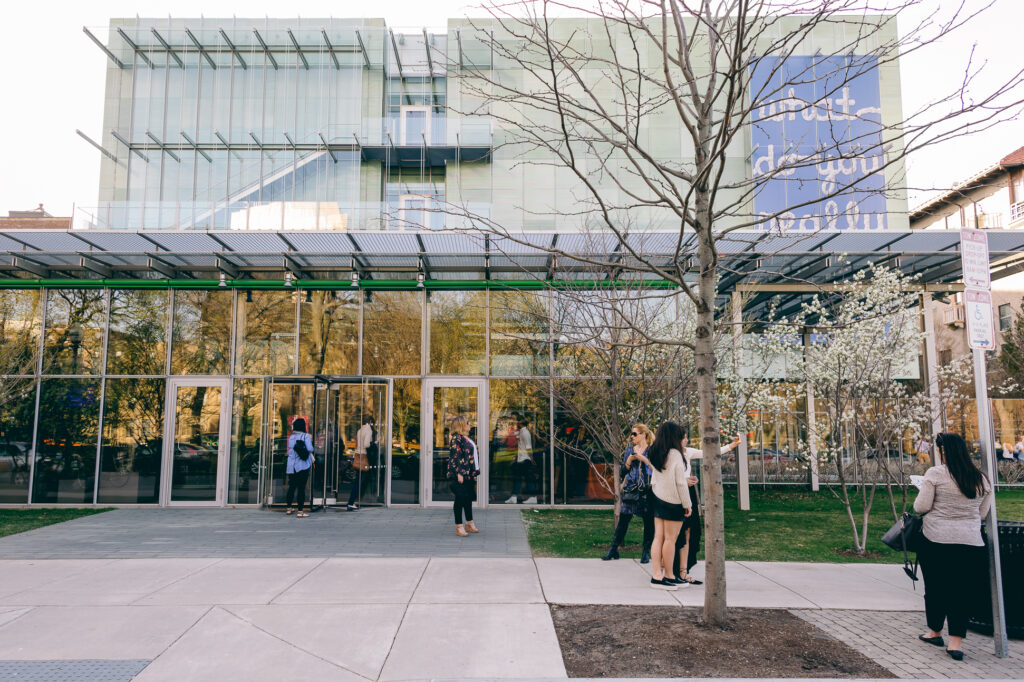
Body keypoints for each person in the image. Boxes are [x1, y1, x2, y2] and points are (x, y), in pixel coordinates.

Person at [913, 432, 992, 662]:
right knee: (962, 592)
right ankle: (955, 643)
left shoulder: (936, 474)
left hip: (936, 540)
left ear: (943, 452)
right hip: (970, 541)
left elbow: (921, 506)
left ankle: (935, 631)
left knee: (936, 588)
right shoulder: (981, 479)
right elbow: (981, 513)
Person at [671, 432, 741, 585]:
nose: (687, 439)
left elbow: (709, 453)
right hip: (674, 493)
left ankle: (684, 571)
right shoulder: (669, 454)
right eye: (684, 437)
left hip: (688, 493)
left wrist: (731, 446)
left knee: (690, 531)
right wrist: (684, 479)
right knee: (675, 534)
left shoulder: (687, 452)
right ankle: (672, 571)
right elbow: (664, 476)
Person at [647, 421, 692, 590]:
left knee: (658, 538)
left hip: (658, 498)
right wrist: (687, 504)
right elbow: (680, 483)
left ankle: (656, 574)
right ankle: (669, 576)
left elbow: (655, 479)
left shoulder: (655, 452)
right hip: (673, 501)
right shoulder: (675, 454)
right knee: (670, 540)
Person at [602, 424, 655, 562]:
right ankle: (613, 550)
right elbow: (624, 472)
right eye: (631, 434)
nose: (632, 436)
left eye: (635, 434)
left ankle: (646, 552)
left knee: (648, 522)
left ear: (643, 434)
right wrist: (629, 461)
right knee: (624, 520)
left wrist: (643, 459)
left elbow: (656, 468)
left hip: (647, 490)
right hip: (631, 489)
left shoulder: (652, 450)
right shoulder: (629, 450)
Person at [447, 415, 480, 536]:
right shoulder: (456, 439)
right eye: (467, 423)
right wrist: (459, 474)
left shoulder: (466, 438)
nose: (469, 425)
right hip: (459, 475)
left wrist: (473, 473)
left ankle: (469, 523)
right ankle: (459, 526)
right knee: (460, 498)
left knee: (467, 499)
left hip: (468, 474)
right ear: (461, 425)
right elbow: (456, 457)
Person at [285, 418, 314, 518]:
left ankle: (289, 508)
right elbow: (310, 449)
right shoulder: (305, 436)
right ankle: (300, 511)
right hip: (302, 465)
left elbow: (289, 451)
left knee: (292, 487)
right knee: (301, 488)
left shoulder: (291, 437)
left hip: (291, 466)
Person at [347, 415, 376, 511]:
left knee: (359, 480)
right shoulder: (368, 430)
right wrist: (375, 443)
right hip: (364, 457)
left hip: (358, 455)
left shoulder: (360, 430)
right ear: (370, 422)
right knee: (360, 481)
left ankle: (352, 502)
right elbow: (367, 444)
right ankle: (351, 502)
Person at [506, 418, 537, 504]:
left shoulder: (525, 433)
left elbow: (528, 447)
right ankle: (515, 496)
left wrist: (531, 459)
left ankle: (532, 497)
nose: (516, 423)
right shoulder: (523, 432)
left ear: (521, 423)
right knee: (519, 478)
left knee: (526, 478)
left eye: (518, 421)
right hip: (522, 459)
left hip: (524, 459)